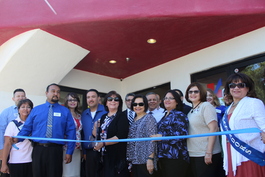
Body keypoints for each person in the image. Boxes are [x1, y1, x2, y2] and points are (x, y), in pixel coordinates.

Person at [13, 83, 76, 177]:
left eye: (58, 92)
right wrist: (17, 139)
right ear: (46, 93)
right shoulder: (36, 110)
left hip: (56, 151)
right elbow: (27, 128)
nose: (56, 94)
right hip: (38, 150)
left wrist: (69, 151)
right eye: (53, 91)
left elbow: (71, 132)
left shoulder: (65, 111)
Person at [221, 73, 265, 177]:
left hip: (249, 154)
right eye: (232, 85)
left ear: (248, 88)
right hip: (231, 153)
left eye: (241, 85)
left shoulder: (254, 103)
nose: (236, 88)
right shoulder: (228, 108)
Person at [185, 82, 222, 177]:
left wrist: (209, 152)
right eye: (190, 92)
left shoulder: (206, 106)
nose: (192, 94)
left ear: (201, 93)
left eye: (196, 91)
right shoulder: (191, 111)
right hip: (194, 154)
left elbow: (214, 128)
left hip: (206, 154)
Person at [152, 90, 189, 177]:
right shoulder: (165, 115)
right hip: (163, 157)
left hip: (175, 157)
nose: (167, 100)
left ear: (177, 101)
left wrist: (162, 136)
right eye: (165, 98)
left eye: (170, 98)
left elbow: (182, 134)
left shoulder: (179, 115)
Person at [94, 91, 130, 177]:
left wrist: (103, 143)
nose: (113, 101)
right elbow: (99, 134)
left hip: (116, 156)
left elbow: (120, 136)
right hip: (103, 155)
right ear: (106, 103)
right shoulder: (103, 117)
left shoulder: (122, 116)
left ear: (119, 103)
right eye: (110, 99)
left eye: (116, 99)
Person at [1, 99, 33, 177]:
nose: (25, 109)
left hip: (31, 161)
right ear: (18, 110)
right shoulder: (12, 124)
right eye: (23, 107)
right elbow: (7, 145)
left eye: (28, 107)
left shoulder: (34, 124)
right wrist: (4, 164)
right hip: (16, 161)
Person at [127, 95, 157, 177]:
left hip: (144, 160)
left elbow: (153, 139)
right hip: (134, 160)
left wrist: (150, 159)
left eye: (140, 104)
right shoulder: (133, 119)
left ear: (145, 105)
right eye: (135, 104)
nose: (137, 106)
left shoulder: (149, 118)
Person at [81, 89, 107, 177]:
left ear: (98, 98)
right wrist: (84, 152)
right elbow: (83, 134)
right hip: (89, 152)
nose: (90, 99)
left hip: (103, 151)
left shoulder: (106, 111)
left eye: (93, 96)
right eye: (88, 97)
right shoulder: (84, 114)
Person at [0, 89, 26, 162]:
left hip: (25, 147)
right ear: (13, 98)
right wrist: (2, 148)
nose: (21, 98)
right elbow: (1, 130)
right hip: (9, 146)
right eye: (18, 96)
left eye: (23, 96)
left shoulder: (30, 112)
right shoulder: (6, 112)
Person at [63, 92, 82, 177]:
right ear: (66, 102)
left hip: (77, 148)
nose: (72, 102)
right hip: (66, 148)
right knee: (67, 173)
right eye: (70, 100)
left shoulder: (79, 115)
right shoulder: (64, 114)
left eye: (75, 100)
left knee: (76, 173)